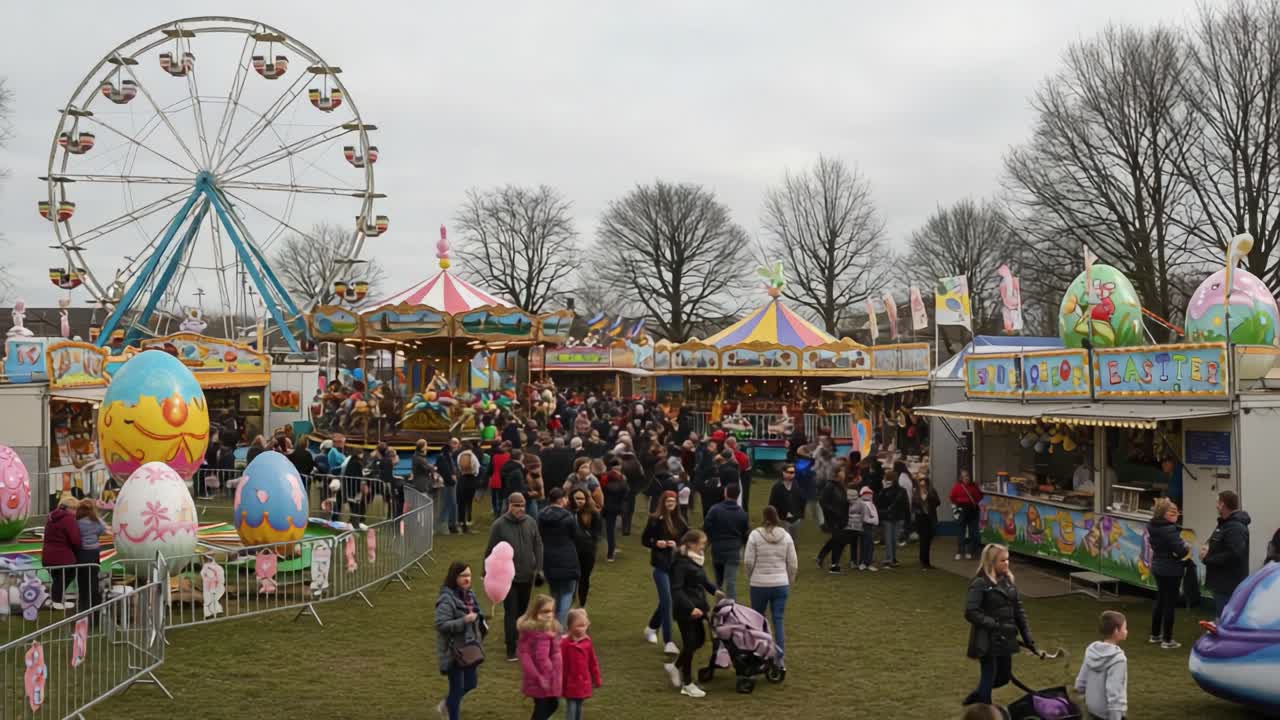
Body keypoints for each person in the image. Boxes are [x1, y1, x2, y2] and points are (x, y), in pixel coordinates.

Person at [963, 544, 1037, 707]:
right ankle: (985, 708)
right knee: (989, 674)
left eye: (1007, 559)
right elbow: (971, 611)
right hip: (987, 639)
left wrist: (1028, 638)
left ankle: (979, 693)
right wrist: (993, 624)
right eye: (1002, 560)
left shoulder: (1009, 582)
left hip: (1006, 638)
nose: (1007, 563)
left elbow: (1019, 612)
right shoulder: (980, 583)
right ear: (991, 562)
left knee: (1004, 678)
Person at [485, 492, 543, 661]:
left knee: (523, 611)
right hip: (507, 579)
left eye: (523, 505)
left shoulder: (531, 522)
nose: (520, 509)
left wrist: (539, 569)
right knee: (511, 611)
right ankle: (511, 648)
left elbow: (538, 545)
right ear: (509, 505)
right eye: (517, 505)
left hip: (527, 575)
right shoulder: (499, 525)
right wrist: (486, 573)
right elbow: (490, 549)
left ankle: (521, 642)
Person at [744, 505, 797, 669]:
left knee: (757, 621)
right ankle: (779, 659)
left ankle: (760, 654)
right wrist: (788, 579)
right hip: (780, 584)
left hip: (759, 584)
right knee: (778, 620)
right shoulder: (786, 536)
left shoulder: (755, 535)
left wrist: (750, 576)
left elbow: (748, 561)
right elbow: (793, 563)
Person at [669, 529, 719, 698]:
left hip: (699, 608)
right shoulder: (680, 564)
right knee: (690, 643)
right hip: (686, 611)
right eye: (702, 544)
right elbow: (676, 590)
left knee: (698, 641)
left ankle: (675, 666)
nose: (703, 547)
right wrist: (690, 608)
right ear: (691, 544)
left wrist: (716, 592)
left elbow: (703, 580)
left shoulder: (696, 560)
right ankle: (687, 683)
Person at [435, 561, 487, 720]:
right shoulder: (446, 599)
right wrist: (464, 621)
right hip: (453, 652)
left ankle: (446, 704)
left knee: (471, 683)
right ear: (454, 577)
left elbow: (476, 613)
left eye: (469, 575)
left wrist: (481, 620)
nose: (467, 579)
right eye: (463, 575)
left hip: (469, 649)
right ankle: (452, 712)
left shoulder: (470, 594)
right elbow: (441, 624)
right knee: (457, 689)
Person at [642, 490, 687, 655]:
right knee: (668, 601)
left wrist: (676, 544)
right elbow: (645, 540)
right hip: (660, 567)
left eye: (673, 502)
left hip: (675, 566)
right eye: (667, 502)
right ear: (663, 503)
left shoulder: (681, 521)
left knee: (666, 601)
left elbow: (685, 541)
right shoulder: (655, 520)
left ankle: (651, 627)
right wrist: (656, 543)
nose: (670, 505)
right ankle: (668, 641)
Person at [1200, 490, 1251, 618]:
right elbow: (1217, 542)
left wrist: (1208, 558)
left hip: (1228, 584)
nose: (1216, 506)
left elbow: (1234, 554)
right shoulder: (1225, 524)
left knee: (1226, 618)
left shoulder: (1235, 528)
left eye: (1217, 503)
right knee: (1221, 616)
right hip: (1221, 582)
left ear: (1222, 505)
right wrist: (1207, 547)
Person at [1147, 498, 1188, 648]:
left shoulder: (1153, 526)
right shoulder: (1170, 529)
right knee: (1169, 603)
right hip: (1170, 569)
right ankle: (1167, 640)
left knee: (1160, 600)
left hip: (1159, 566)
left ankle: (1155, 634)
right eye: (1173, 512)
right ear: (1164, 514)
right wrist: (1186, 546)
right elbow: (1181, 551)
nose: (1176, 514)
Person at [539, 488, 581, 628]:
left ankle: (551, 624)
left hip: (549, 559)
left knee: (554, 594)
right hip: (567, 559)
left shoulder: (541, 516)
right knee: (567, 595)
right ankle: (559, 629)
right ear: (561, 499)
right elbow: (575, 536)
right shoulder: (568, 517)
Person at [1076, 610, 1129, 720]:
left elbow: (1081, 682)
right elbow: (1114, 691)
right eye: (1124, 628)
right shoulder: (1118, 659)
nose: (1126, 631)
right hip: (1109, 714)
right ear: (1116, 631)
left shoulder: (1091, 650)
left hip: (1091, 709)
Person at [518, 594, 563, 720]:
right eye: (545, 611)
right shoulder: (530, 633)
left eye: (552, 611)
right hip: (538, 679)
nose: (549, 614)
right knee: (542, 708)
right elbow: (525, 657)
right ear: (535, 612)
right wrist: (538, 677)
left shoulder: (552, 629)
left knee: (553, 704)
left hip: (551, 677)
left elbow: (556, 652)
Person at [703, 483, 748, 598]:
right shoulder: (742, 513)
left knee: (718, 582)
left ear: (725, 493)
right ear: (738, 495)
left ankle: (719, 607)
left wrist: (712, 538)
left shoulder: (715, 509)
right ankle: (731, 609)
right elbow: (745, 532)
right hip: (733, 550)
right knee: (731, 582)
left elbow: (706, 526)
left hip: (717, 548)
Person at [561, 608, 602, 720]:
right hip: (570, 684)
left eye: (584, 625)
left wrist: (596, 678)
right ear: (570, 627)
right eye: (578, 625)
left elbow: (593, 663)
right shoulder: (564, 644)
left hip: (582, 683)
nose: (582, 628)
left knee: (579, 707)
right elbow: (560, 665)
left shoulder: (587, 642)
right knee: (571, 709)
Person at [42, 494, 82, 610]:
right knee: (67, 576)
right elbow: (75, 539)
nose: (76, 512)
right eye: (75, 509)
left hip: (48, 557)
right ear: (69, 508)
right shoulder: (69, 519)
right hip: (62, 558)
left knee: (58, 580)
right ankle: (56, 602)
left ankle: (56, 599)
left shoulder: (51, 517)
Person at [569, 488, 603, 607]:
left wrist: (588, 538)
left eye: (582, 498)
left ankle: (581, 605)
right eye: (577, 498)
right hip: (571, 551)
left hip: (587, 552)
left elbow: (597, 533)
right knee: (571, 577)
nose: (580, 501)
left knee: (584, 578)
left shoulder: (593, 513)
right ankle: (569, 602)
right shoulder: (569, 513)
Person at [74, 498, 107, 614]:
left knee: (81, 579)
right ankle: (94, 606)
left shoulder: (76, 521)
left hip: (81, 552)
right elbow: (103, 529)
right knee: (93, 579)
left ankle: (83, 604)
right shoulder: (96, 521)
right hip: (93, 552)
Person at [816, 467, 850, 573]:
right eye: (842, 472)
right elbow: (823, 502)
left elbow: (842, 502)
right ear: (837, 474)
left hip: (842, 518)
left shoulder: (841, 487)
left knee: (840, 539)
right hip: (833, 519)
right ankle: (834, 565)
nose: (844, 474)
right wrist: (834, 512)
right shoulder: (830, 486)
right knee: (838, 540)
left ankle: (821, 556)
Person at [876, 473, 908, 568]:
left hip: (888, 517)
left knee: (889, 539)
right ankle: (891, 558)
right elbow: (905, 506)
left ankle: (889, 558)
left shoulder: (884, 491)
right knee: (894, 539)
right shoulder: (902, 491)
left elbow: (879, 503)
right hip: (898, 517)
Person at [950, 470, 984, 560]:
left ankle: (970, 551)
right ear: (961, 478)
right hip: (962, 510)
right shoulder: (957, 487)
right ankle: (960, 551)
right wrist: (959, 504)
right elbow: (952, 497)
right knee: (961, 532)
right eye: (964, 476)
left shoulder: (974, 486)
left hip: (973, 510)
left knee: (974, 532)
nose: (966, 478)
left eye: (967, 476)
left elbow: (979, 496)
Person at [601, 457, 628, 562]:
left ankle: (610, 552)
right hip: (617, 506)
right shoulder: (623, 478)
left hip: (607, 506)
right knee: (611, 530)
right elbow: (626, 493)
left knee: (609, 529)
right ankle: (611, 551)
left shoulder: (605, 477)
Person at [767, 465, 804, 539]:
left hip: (795, 519)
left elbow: (801, 500)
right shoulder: (777, 487)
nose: (791, 474)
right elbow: (772, 504)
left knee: (792, 542)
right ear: (783, 473)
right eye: (789, 472)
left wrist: (799, 514)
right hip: (783, 520)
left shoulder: (797, 485)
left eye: (793, 472)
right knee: (784, 541)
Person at [913, 476, 941, 570]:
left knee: (928, 541)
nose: (922, 487)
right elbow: (914, 506)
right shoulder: (916, 494)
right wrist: (919, 510)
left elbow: (938, 502)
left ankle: (927, 562)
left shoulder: (932, 493)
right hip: (921, 520)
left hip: (930, 519)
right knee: (923, 541)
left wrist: (929, 499)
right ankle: (922, 562)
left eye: (924, 485)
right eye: (921, 485)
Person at [855, 486, 880, 571]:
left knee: (869, 545)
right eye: (866, 494)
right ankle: (863, 562)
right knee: (865, 544)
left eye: (869, 494)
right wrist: (873, 521)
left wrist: (874, 521)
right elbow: (864, 518)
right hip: (865, 526)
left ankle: (867, 562)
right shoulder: (862, 504)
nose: (868, 495)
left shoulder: (871, 504)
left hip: (869, 527)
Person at [437, 438, 458, 533]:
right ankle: (448, 524)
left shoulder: (446, 457)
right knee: (451, 503)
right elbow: (446, 471)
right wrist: (452, 479)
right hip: (448, 483)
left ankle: (449, 523)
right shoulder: (444, 458)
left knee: (449, 503)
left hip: (449, 483)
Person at [490, 441, 512, 518]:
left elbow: (491, 468)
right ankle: (501, 514)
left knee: (495, 499)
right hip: (504, 480)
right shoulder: (509, 457)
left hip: (495, 479)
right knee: (502, 499)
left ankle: (496, 513)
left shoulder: (495, 457)